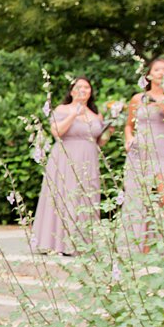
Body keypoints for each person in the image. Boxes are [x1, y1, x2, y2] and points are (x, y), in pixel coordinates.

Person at [30, 77, 106, 256]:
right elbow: (57, 132)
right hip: (66, 158)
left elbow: (100, 141)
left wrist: (107, 130)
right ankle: (56, 242)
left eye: (86, 87)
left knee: (86, 196)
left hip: (89, 159)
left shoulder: (96, 115)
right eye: (79, 87)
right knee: (64, 194)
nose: (83, 90)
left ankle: (82, 243)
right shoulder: (62, 109)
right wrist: (74, 114)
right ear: (72, 92)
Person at [122, 56, 164, 251]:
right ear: (149, 75)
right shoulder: (138, 99)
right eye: (157, 70)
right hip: (140, 151)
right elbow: (128, 126)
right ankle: (138, 248)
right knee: (140, 198)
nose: (161, 73)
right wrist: (129, 139)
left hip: (163, 150)